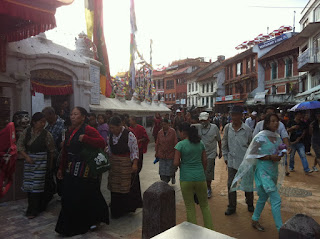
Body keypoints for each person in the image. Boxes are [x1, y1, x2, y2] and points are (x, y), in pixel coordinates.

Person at [55, 107, 109, 236]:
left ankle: (90, 220)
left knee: (85, 196)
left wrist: (86, 139)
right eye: (72, 114)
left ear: (83, 117)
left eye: (76, 114)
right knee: (68, 197)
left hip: (85, 170)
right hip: (71, 168)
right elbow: (65, 152)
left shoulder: (88, 129)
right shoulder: (69, 131)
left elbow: (102, 142)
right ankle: (68, 226)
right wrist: (61, 168)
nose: (72, 117)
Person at [231, 113, 285, 232]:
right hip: (263, 173)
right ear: (267, 123)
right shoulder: (260, 137)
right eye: (273, 121)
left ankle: (255, 219)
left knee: (263, 197)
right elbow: (253, 154)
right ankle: (281, 230)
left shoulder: (277, 137)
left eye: (277, 121)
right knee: (276, 199)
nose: (276, 123)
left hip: (273, 172)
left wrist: (282, 152)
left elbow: (281, 149)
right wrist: (270, 157)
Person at [174, 122, 213, 230]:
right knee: (204, 206)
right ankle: (210, 230)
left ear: (182, 132)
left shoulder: (180, 145)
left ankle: (193, 233)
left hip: (186, 179)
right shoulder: (200, 143)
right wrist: (201, 171)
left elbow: (176, 163)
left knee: (190, 207)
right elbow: (205, 161)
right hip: (200, 177)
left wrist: (182, 165)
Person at [17, 112, 55, 219]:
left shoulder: (47, 134)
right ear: (34, 122)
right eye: (41, 122)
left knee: (37, 186)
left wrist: (50, 165)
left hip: (41, 162)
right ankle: (32, 207)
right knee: (29, 186)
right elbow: (19, 145)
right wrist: (26, 157)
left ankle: (34, 210)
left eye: (44, 122)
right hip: (29, 162)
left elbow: (51, 151)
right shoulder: (27, 132)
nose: (43, 124)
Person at [222, 105, 254, 216]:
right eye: (232, 114)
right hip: (231, 162)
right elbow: (224, 144)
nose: (233, 117)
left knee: (248, 185)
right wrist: (225, 157)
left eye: (236, 115)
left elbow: (251, 146)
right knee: (231, 185)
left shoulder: (247, 130)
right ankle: (231, 206)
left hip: (245, 163)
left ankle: (250, 203)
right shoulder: (227, 128)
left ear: (241, 115)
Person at [107, 116, 141, 218]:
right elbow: (109, 149)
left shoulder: (129, 135)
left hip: (125, 164)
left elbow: (134, 151)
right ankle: (116, 209)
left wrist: (134, 164)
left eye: (113, 128)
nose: (112, 130)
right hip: (114, 164)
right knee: (115, 186)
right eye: (110, 128)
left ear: (120, 126)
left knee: (124, 186)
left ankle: (126, 208)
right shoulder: (110, 136)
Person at [253, 106, 291, 176]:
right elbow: (254, 146)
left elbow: (285, 136)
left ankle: (286, 170)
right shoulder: (259, 127)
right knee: (269, 186)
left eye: (276, 121)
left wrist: (286, 148)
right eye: (268, 113)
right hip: (263, 166)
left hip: (274, 166)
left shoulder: (279, 131)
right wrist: (268, 157)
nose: (275, 123)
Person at [193, 112, 222, 198]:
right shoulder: (197, 127)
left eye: (204, 120)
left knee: (208, 172)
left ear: (208, 119)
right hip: (199, 154)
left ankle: (208, 188)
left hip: (211, 154)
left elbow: (219, 140)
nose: (203, 122)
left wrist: (220, 151)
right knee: (199, 172)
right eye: (201, 120)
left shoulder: (214, 128)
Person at [42, 106, 65, 198]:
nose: (45, 118)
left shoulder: (62, 124)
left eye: (45, 116)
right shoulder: (48, 126)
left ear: (51, 114)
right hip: (50, 156)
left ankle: (62, 194)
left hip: (59, 156)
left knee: (60, 176)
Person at [155, 118, 178, 183]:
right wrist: (156, 152)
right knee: (162, 170)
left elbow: (175, 142)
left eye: (165, 124)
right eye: (162, 124)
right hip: (162, 154)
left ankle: (172, 176)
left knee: (170, 169)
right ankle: (164, 182)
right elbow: (157, 143)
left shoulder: (172, 132)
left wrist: (176, 153)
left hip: (170, 153)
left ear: (168, 124)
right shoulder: (160, 133)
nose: (163, 126)